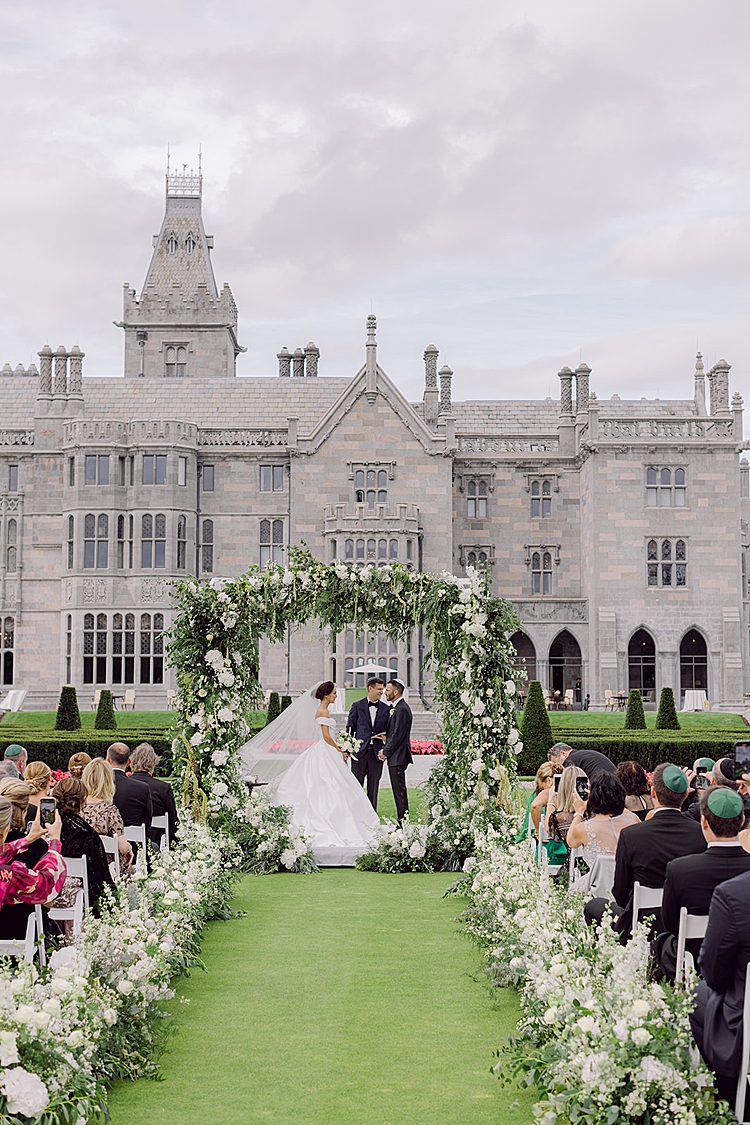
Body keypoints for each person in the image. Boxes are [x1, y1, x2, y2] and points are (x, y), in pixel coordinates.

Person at [584, 764, 707, 939]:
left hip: (641, 925)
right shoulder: (701, 834)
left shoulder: (631, 835)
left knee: (594, 906)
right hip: (685, 924)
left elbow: (620, 894)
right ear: (686, 795)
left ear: (654, 793)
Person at [268, 682, 378, 858]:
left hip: (327, 751)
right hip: (325, 751)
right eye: (334, 693)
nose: (335, 696)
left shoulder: (324, 710)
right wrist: (340, 748)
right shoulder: (322, 711)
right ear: (326, 695)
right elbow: (326, 737)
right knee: (329, 786)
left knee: (339, 787)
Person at [654, 787, 750, 981]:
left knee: (662, 941)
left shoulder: (680, 869)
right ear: (741, 821)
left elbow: (672, 924)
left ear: (704, 822)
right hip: (744, 962)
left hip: (695, 958)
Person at [690, 867, 750, 1107]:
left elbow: (714, 975)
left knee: (696, 996)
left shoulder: (734, 893)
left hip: (746, 1021)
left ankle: (736, 1101)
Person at [0, 795, 66, 939]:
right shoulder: (9, 875)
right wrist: (55, 841)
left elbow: (2, 852)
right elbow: (47, 882)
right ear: (4, 831)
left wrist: (27, 839)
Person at [54, 777, 114, 913]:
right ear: (82, 802)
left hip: (43, 894)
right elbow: (101, 876)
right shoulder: (87, 834)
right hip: (76, 898)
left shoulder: (42, 828)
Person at [566, 773, 639, 868]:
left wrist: (579, 812)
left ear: (593, 797)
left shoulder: (584, 829)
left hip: (598, 882)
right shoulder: (633, 819)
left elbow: (570, 841)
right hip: (629, 881)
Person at [80, 758, 133, 874]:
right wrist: (129, 849)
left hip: (81, 870)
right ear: (108, 781)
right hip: (106, 871)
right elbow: (123, 847)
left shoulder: (76, 808)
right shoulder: (110, 811)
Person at [346, 678, 390, 812]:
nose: (381, 692)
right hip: (359, 753)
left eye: (382, 689)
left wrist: (386, 739)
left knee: (373, 788)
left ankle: (372, 820)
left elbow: (390, 731)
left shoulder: (387, 709)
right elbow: (349, 729)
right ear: (370, 689)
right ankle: (355, 816)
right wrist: (348, 749)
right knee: (356, 787)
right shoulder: (357, 706)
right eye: (379, 689)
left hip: (376, 754)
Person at [130, 743, 178, 848]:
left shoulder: (124, 785)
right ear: (153, 763)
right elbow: (174, 822)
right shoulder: (163, 788)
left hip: (130, 841)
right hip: (158, 841)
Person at [378, 678, 413, 826]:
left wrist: (385, 751)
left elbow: (398, 735)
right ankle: (402, 823)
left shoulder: (402, 709)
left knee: (399, 793)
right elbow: (395, 732)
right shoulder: (397, 708)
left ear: (396, 692)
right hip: (396, 757)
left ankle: (402, 824)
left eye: (387, 690)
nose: (385, 693)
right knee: (398, 792)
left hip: (398, 757)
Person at [106, 742, 152, 834]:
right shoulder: (142, 787)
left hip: (104, 843)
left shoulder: (98, 785)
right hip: (134, 842)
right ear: (129, 762)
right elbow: (147, 821)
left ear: (108, 760)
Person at [547, 765, 588, 845]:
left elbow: (549, 832)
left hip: (571, 856)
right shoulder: (595, 815)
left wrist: (550, 801)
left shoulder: (558, 818)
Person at [549, 742, 616, 780]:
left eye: (557, 763)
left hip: (603, 788)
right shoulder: (585, 754)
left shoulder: (569, 761)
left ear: (563, 753)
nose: (558, 766)